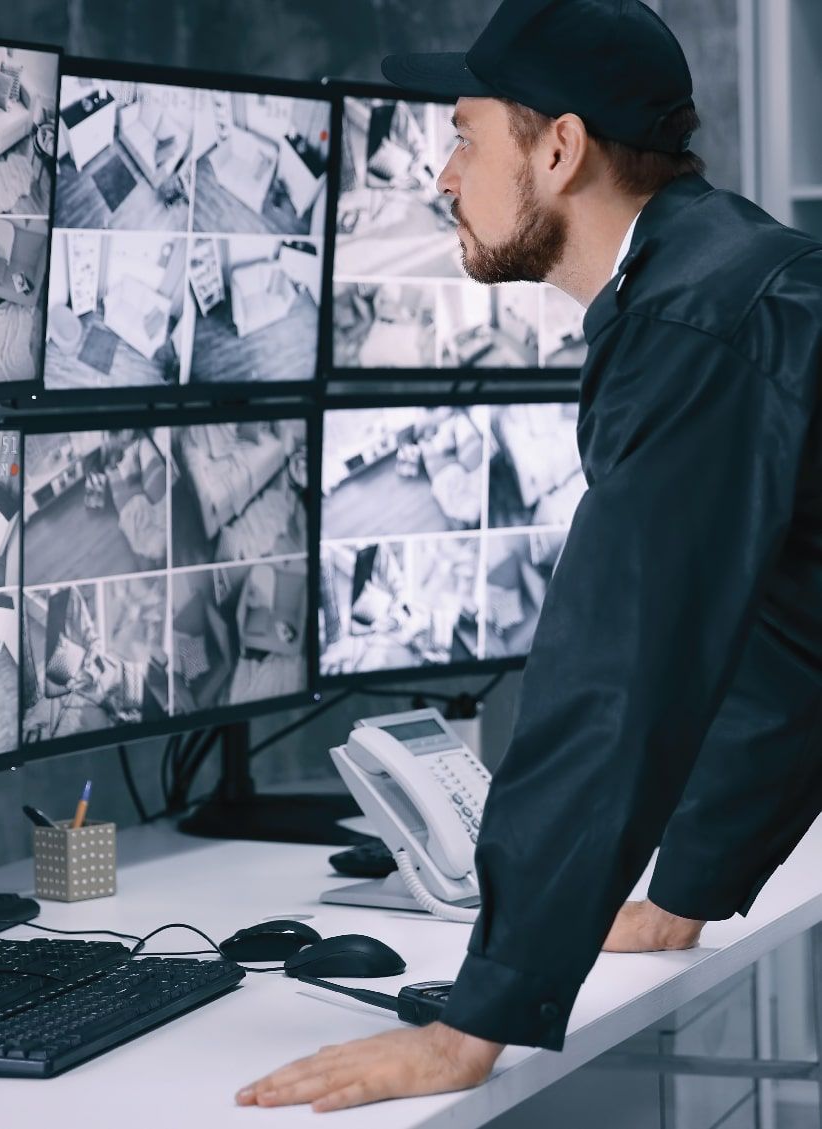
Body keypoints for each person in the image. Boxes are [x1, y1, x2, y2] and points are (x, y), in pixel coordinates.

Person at [237, 0, 822, 1113]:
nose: (444, 176)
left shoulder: (689, 321)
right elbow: (792, 638)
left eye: (463, 134)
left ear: (557, 148)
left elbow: (615, 675)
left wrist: (476, 1016)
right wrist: (684, 889)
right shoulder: (720, 273)